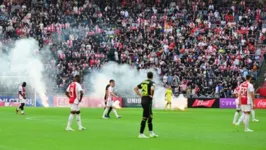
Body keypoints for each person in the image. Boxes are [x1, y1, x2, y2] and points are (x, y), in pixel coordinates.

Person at [134, 72, 158, 138]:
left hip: (143, 99)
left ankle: (151, 132)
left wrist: (140, 95)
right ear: (152, 76)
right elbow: (152, 89)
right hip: (148, 99)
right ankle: (141, 134)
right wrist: (151, 95)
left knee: (150, 116)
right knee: (145, 117)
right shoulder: (152, 83)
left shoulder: (143, 82)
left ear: (147, 76)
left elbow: (135, 88)